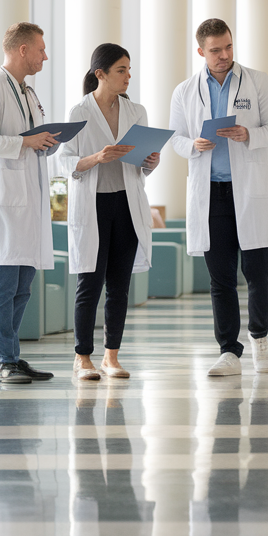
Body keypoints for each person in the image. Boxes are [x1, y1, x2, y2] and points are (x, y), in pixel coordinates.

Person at [169, 18, 268, 377]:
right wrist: (193, 145)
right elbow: (175, 137)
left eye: (228, 47)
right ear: (201, 51)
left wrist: (247, 133)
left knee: (259, 271)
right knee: (220, 277)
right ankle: (229, 351)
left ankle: (259, 338)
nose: (224, 55)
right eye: (216, 50)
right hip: (212, 193)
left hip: (249, 189)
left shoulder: (258, 81)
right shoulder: (185, 91)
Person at [59, 44, 159, 381]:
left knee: (119, 286)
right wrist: (95, 158)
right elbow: (64, 161)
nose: (128, 76)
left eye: (129, 70)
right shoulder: (79, 112)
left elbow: (140, 167)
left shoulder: (137, 111)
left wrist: (150, 162)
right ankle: (82, 357)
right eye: (121, 70)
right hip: (94, 204)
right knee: (90, 282)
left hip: (127, 204)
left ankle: (111, 357)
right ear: (100, 74)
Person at [0, 21, 59, 384]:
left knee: (23, 287)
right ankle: (1, 362)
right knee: (3, 285)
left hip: (28, 201)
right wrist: (25, 143)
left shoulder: (26, 92)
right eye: (40, 49)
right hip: (5, 205)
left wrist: (45, 141)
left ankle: (13, 356)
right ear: (22, 49)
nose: (44, 55)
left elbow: (29, 137)